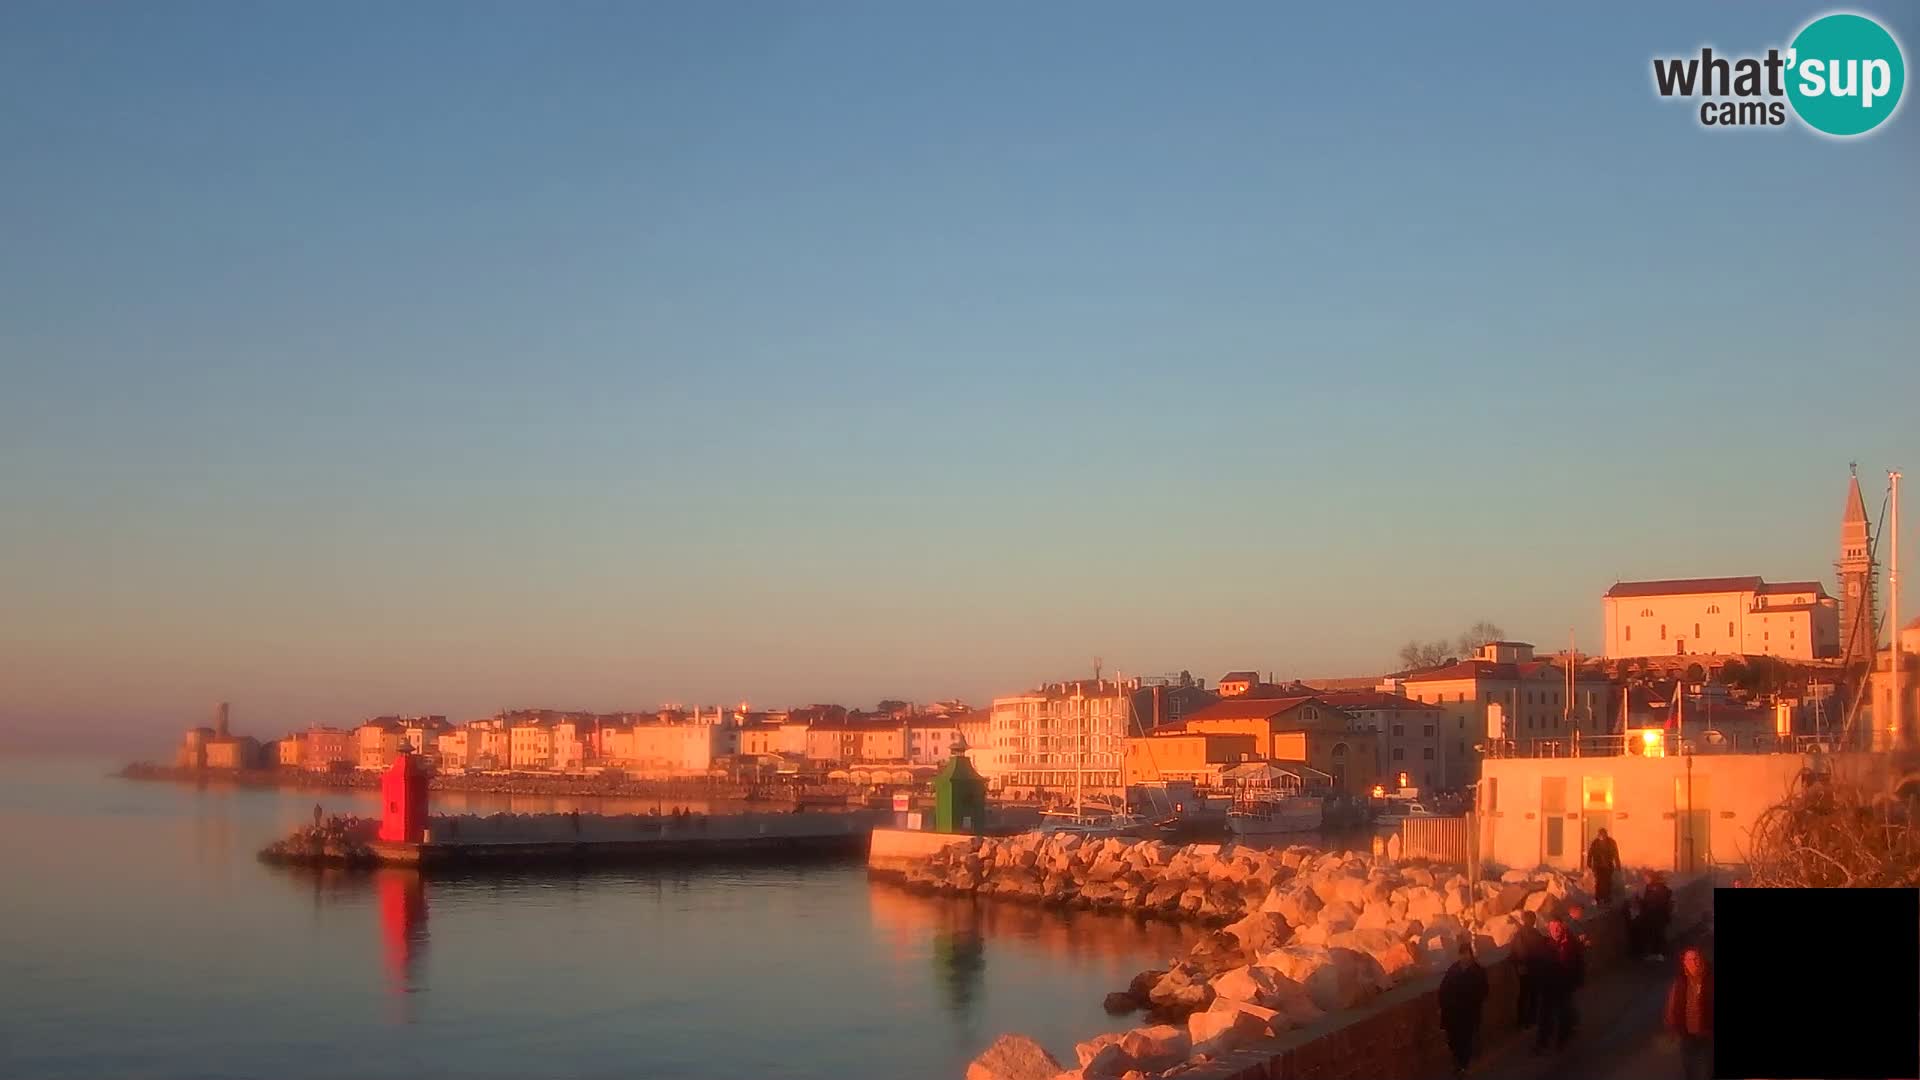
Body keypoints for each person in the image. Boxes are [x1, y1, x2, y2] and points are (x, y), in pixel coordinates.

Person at [1533, 917, 1585, 1054]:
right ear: (1549, 929)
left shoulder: (1570, 943)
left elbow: (1579, 962)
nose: (1556, 931)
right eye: (1553, 928)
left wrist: (1578, 980)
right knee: (1545, 1015)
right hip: (1548, 986)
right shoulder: (1544, 945)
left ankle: (1562, 1040)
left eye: (1558, 928)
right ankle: (1542, 1043)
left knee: (1564, 1014)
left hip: (1564, 985)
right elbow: (1538, 965)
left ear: (1562, 927)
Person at [1438, 941, 1489, 1078]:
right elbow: (1443, 989)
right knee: (1454, 1040)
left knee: (1465, 1039)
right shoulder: (1453, 969)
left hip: (1468, 1012)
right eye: (1462, 954)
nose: (1465, 957)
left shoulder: (1477, 971)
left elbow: (1483, 991)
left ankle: (1463, 1066)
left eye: (1467, 954)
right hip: (1452, 1013)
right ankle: (1458, 1063)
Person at [1664, 946, 1713, 1080]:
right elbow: (1672, 1005)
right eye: (1689, 960)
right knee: (1689, 1065)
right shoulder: (1680, 983)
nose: (1694, 963)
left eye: (1696, 959)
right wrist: (1671, 1025)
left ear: (1701, 960)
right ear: (1684, 963)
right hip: (1686, 1032)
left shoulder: (1710, 980)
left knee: (1708, 1067)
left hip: (1708, 1032)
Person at [1512, 909, 1545, 1030]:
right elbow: (1521, 953)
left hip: (1529, 969)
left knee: (1528, 995)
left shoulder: (1524, 934)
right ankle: (1527, 1020)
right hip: (1528, 969)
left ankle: (1527, 1020)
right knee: (1528, 995)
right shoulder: (1525, 934)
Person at [1640, 871, 1674, 962]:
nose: (1645, 879)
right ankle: (1656, 953)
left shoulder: (1658, 888)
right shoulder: (1651, 887)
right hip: (1654, 915)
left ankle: (1660, 953)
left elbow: (1658, 901)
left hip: (1658, 915)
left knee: (1658, 934)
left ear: (1651, 878)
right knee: (1655, 934)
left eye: (1646, 877)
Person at [1587, 827, 1621, 904]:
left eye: (1603, 835)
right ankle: (1598, 898)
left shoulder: (1611, 842)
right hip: (1598, 866)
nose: (1602, 837)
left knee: (1607, 882)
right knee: (1599, 882)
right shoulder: (1595, 842)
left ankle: (1607, 898)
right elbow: (1590, 853)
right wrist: (1589, 865)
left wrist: (1618, 865)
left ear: (1606, 834)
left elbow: (1616, 854)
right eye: (1600, 835)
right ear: (1598, 835)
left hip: (1608, 866)